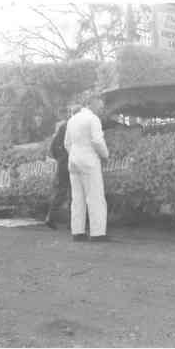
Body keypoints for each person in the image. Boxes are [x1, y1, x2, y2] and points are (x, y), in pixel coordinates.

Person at [64, 96, 110, 242]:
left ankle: (77, 232)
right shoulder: (93, 119)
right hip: (89, 159)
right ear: (91, 104)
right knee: (95, 196)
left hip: (73, 159)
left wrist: (74, 154)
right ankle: (98, 233)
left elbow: (67, 143)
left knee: (77, 198)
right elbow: (97, 141)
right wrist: (105, 155)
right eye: (100, 106)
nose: (101, 109)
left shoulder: (72, 119)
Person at [45, 119, 70, 230]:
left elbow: (53, 147)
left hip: (62, 163)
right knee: (74, 192)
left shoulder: (62, 127)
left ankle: (51, 216)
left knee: (61, 191)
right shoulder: (72, 125)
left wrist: (60, 158)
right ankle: (72, 222)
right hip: (70, 160)